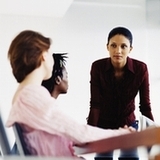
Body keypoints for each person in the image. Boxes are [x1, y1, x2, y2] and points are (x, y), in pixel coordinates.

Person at [6, 30, 135, 158]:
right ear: (43, 55)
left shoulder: (22, 95)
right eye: (50, 53)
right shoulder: (32, 95)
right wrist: (121, 134)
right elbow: (80, 133)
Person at [87, 26, 154, 160]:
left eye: (123, 46)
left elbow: (145, 106)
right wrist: (89, 134)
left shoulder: (141, 69)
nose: (118, 51)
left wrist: (152, 137)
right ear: (107, 47)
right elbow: (95, 105)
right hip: (104, 126)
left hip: (128, 126)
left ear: (130, 49)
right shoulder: (97, 67)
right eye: (113, 45)